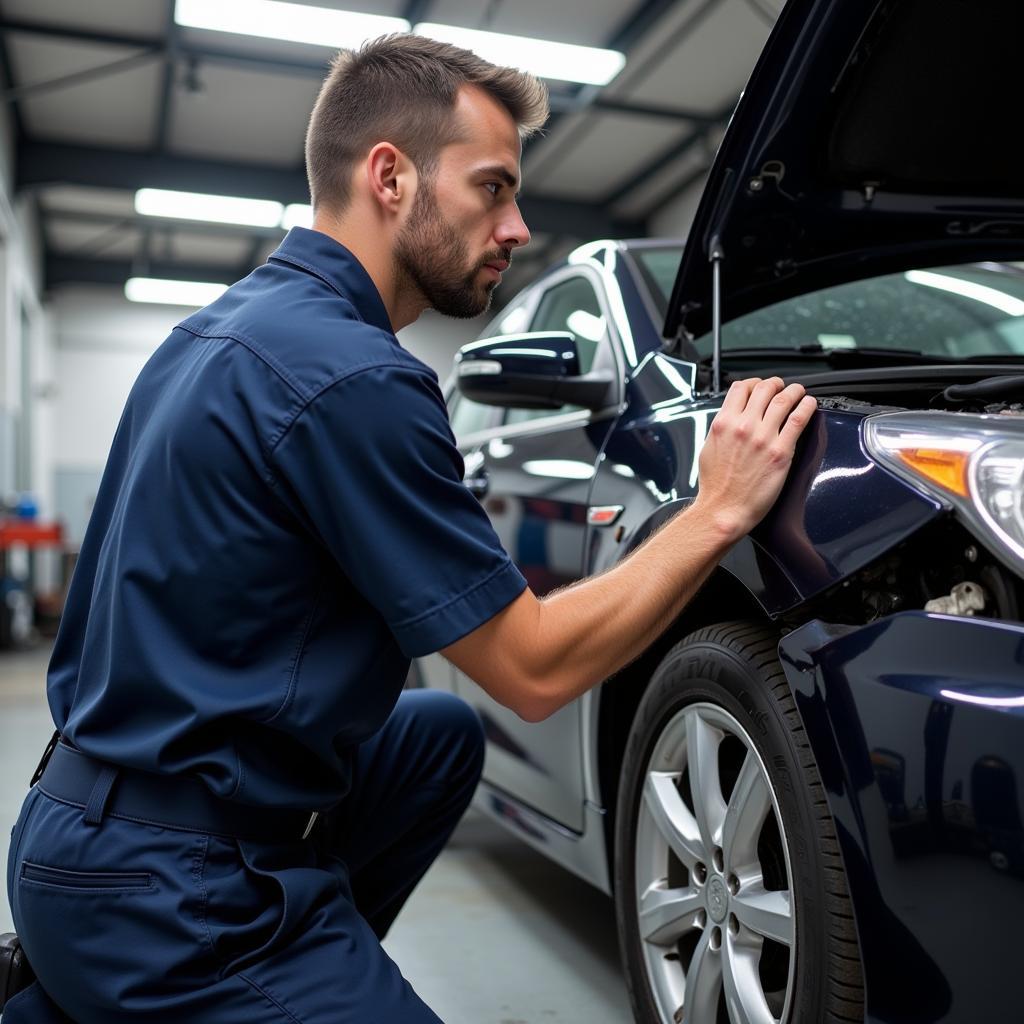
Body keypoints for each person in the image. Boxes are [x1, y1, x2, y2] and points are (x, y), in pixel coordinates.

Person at [3, 33, 817, 1024]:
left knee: (434, 734)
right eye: (492, 188)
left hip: (66, 829)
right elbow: (532, 669)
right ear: (389, 176)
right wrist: (715, 510)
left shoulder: (211, 335)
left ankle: (220, 976)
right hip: (173, 895)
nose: (517, 226)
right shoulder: (359, 380)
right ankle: (244, 976)